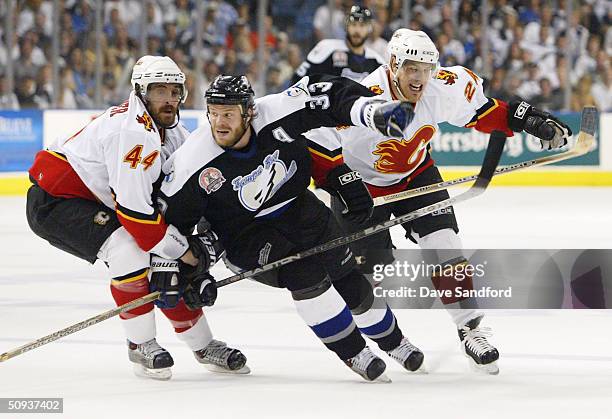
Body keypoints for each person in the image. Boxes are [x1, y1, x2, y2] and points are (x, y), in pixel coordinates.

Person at [307, 29, 572, 374]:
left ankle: (471, 329)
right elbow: (318, 145)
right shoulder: (361, 98)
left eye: (425, 69)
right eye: (411, 69)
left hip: (417, 175)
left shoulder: (441, 85)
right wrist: (340, 184)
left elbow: (484, 112)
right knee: (369, 274)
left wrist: (530, 120)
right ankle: (393, 341)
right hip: (361, 189)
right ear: (393, 65)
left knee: (446, 246)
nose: (419, 78)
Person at [156, 74, 425, 382]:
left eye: (228, 114)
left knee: (349, 277)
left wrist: (369, 111)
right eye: (213, 113)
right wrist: (184, 269)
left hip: (298, 207)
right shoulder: (195, 161)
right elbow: (170, 222)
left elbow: (329, 94)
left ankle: (394, 342)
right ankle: (353, 351)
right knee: (306, 275)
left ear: (249, 112)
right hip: (243, 235)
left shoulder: (276, 113)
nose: (219, 122)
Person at [25, 56, 248, 380]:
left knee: (165, 264)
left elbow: (184, 196)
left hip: (94, 201)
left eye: (175, 91)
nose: (169, 99)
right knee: (129, 251)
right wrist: (187, 254)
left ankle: (204, 345)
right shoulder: (133, 133)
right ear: (141, 92)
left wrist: (191, 254)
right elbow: (134, 213)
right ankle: (140, 344)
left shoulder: (172, 133)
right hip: (56, 202)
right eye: (160, 91)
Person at [290, 5, 384, 84]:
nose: (357, 30)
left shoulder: (377, 61)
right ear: (346, 26)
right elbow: (298, 79)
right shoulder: (326, 47)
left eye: (362, 26)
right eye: (353, 24)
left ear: (369, 28)